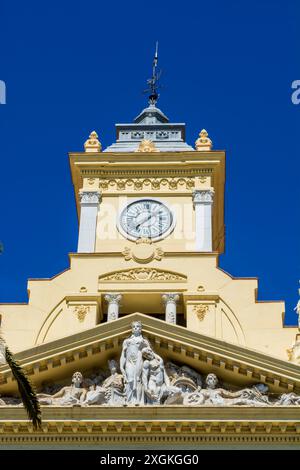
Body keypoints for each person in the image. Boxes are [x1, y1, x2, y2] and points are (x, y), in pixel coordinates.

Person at [120, 321, 150, 405]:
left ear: (140, 329)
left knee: (137, 379)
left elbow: (150, 354)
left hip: (139, 361)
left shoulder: (144, 341)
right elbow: (123, 355)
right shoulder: (127, 341)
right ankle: (129, 400)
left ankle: (138, 400)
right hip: (129, 362)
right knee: (130, 379)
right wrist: (121, 367)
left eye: (137, 326)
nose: (135, 328)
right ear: (132, 329)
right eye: (134, 327)